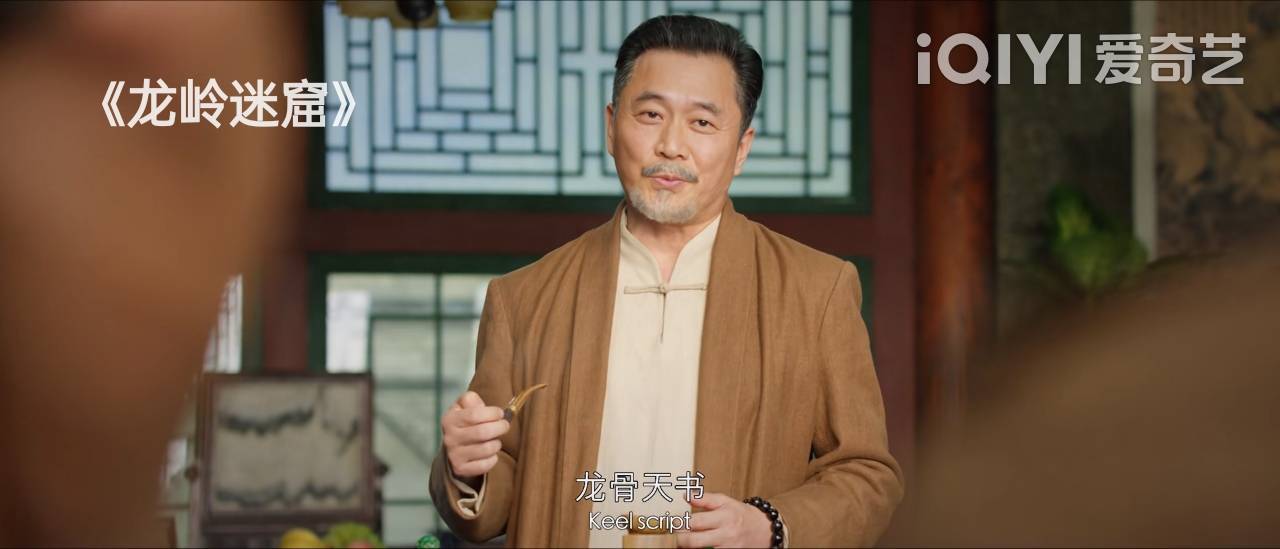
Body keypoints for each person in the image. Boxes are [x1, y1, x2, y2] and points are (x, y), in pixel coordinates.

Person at [429, 15, 902, 548]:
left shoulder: (815, 290)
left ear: (741, 148)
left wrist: (769, 524)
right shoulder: (523, 298)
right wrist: (467, 467)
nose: (671, 145)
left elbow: (866, 474)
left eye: (702, 122)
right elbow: (492, 501)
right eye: (651, 114)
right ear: (611, 127)